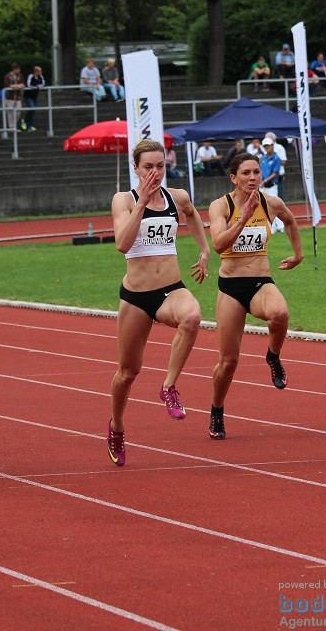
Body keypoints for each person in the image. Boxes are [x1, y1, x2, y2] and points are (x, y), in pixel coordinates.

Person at [107, 139, 211, 466]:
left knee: (193, 316)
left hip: (170, 290)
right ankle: (117, 427)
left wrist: (204, 250)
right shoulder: (123, 200)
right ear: (135, 168)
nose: (155, 172)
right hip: (137, 297)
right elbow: (122, 245)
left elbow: (192, 214)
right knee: (128, 371)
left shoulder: (176, 197)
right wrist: (142, 204)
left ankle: (169, 387)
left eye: (161, 166)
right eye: (148, 166)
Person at [207, 152, 303, 439]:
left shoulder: (270, 203)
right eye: (246, 173)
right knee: (228, 362)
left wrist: (298, 254)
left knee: (281, 313)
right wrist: (242, 220)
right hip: (231, 287)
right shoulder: (220, 206)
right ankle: (217, 410)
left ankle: (272, 355)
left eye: (256, 172)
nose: (253, 178)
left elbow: (290, 220)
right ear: (233, 177)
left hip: (260, 280)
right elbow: (218, 245)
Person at [264, 132, 288, 203]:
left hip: (278, 176)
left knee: (279, 199)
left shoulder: (279, 148)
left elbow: (283, 162)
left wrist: (274, 162)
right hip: (267, 178)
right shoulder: (265, 148)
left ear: (273, 139)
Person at [22, 65, 45, 132]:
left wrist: (39, 86)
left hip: (35, 96)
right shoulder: (31, 76)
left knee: (33, 110)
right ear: (36, 71)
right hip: (28, 96)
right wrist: (36, 86)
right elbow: (28, 84)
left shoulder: (41, 77)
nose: (41, 72)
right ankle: (25, 122)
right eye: (39, 71)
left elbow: (43, 83)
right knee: (31, 108)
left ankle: (29, 125)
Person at [3, 63, 25, 131]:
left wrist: (18, 86)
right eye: (18, 69)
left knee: (18, 110)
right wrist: (16, 86)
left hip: (18, 97)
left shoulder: (20, 76)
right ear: (14, 69)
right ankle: (11, 127)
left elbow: (22, 84)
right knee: (10, 112)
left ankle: (14, 124)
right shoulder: (8, 76)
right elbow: (8, 85)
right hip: (10, 97)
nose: (19, 71)